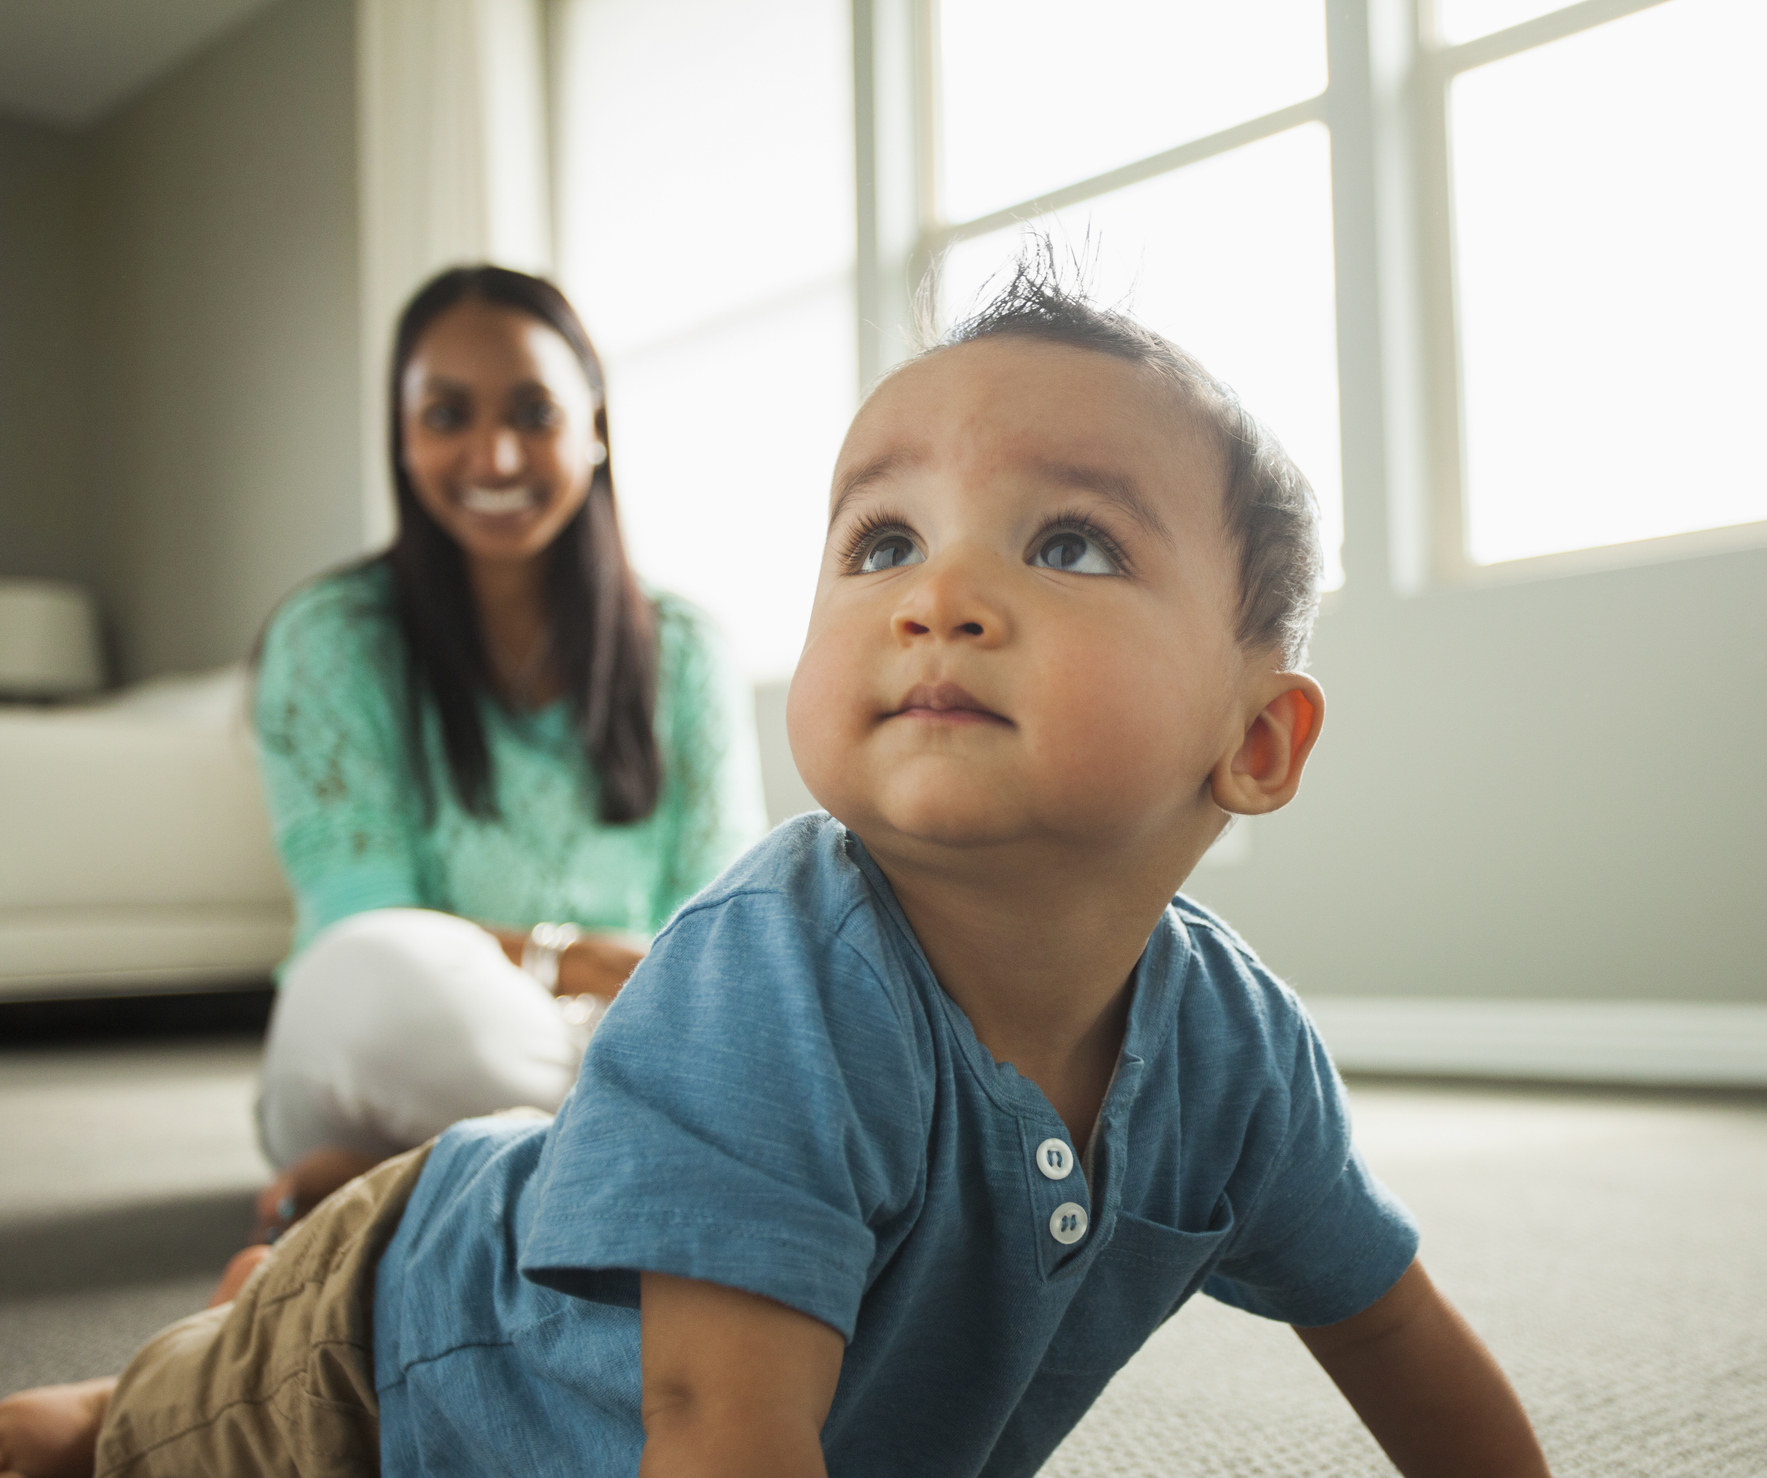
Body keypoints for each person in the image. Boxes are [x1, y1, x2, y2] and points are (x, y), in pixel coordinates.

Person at [0, 256, 1550, 1478]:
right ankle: (150, 1368)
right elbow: (719, 1429)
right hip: (393, 1353)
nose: (937, 590)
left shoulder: (1241, 1055)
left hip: (583, 1099)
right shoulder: (783, 972)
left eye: (1067, 541)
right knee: (153, 1442)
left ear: (1260, 742)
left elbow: (1392, 1318)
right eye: (881, 542)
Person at [248, 265, 766, 1232]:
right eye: (447, 416)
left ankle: (415, 1197)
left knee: (774, 1020)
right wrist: (564, 960)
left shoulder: (686, 650)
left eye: (533, 411)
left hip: (628, 1042)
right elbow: (361, 920)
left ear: (596, 427)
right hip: (400, 1041)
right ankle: (606, 1180)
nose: (493, 453)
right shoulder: (331, 638)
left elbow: (720, 927)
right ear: (402, 438)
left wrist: (628, 1004)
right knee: (378, 976)